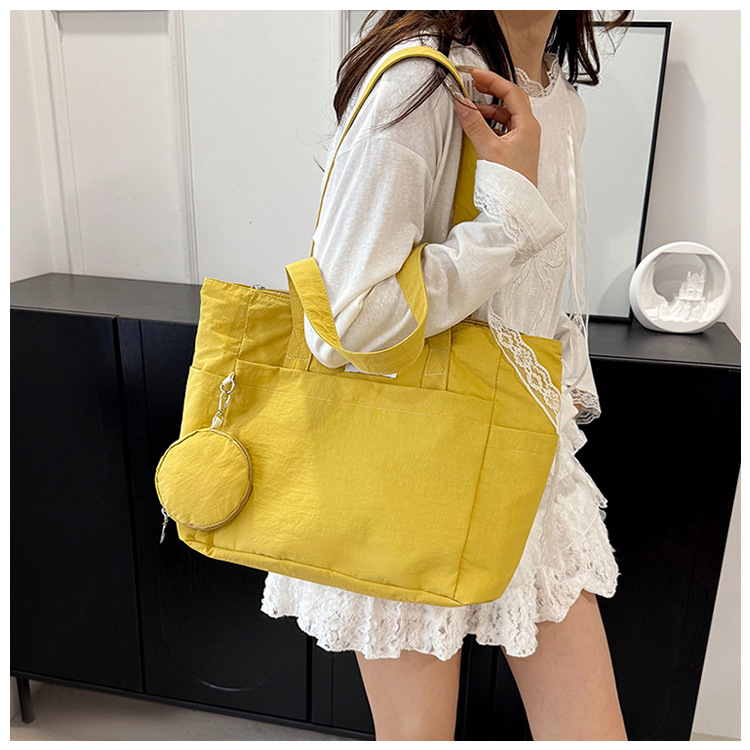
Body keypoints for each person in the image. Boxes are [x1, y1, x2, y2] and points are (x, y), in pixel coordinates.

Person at [261, 10, 631, 740]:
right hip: (411, 466)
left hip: (522, 449)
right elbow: (347, 320)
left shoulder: (559, 97)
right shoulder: (424, 81)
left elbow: (531, 288)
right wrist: (507, 222)